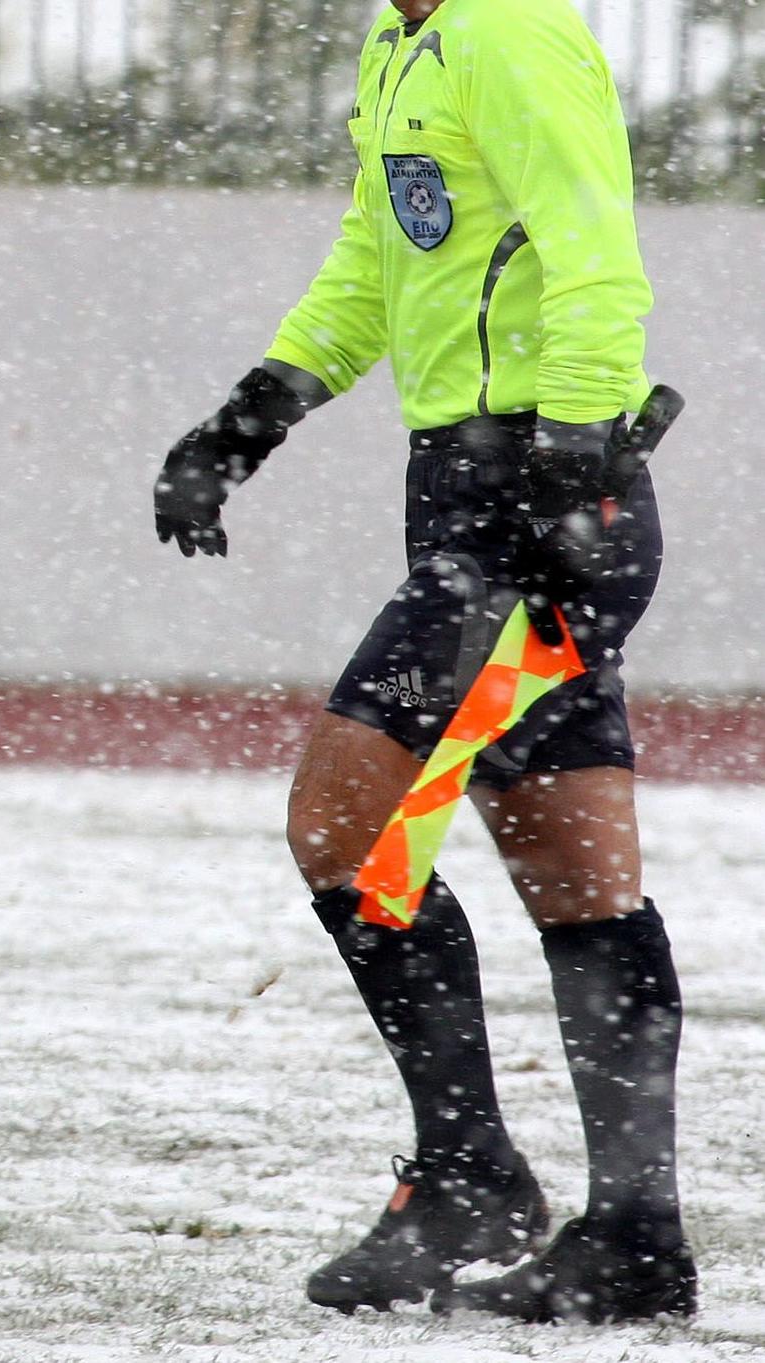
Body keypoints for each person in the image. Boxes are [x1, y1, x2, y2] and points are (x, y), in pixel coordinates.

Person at [152, 0, 693, 1324]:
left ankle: (470, 1172)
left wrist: (576, 450)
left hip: (532, 512)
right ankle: (631, 1235)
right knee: (574, 872)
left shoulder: (509, 28)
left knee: (345, 827)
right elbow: (372, 266)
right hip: (470, 497)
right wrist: (248, 420)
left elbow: (598, 251)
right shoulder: (406, 42)